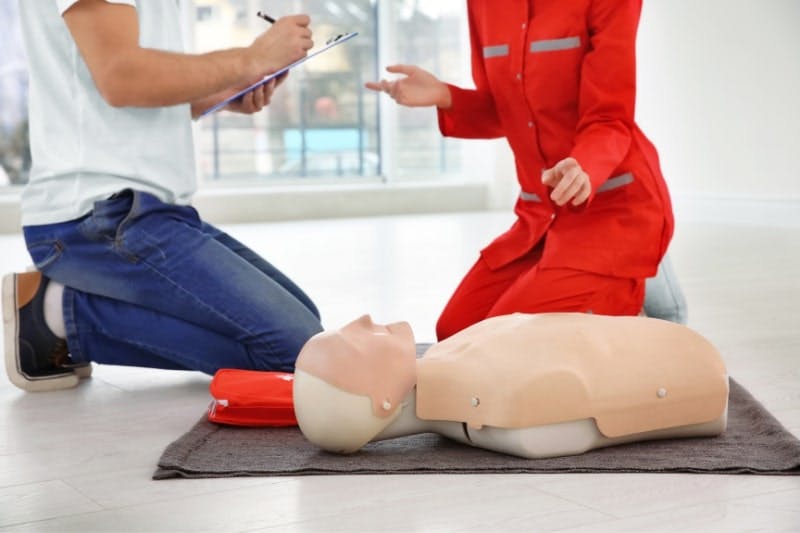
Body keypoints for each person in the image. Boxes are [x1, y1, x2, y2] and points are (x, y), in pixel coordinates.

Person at [3, 0, 323, 392]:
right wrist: (250, 58)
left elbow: (124, 89)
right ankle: (60, 312)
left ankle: (67, 318)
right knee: (301, 351)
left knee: (308, 334)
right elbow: (121, 77)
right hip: (98, 215)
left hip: (148, 211)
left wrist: (223, 91)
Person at [367, 0, 684, 340]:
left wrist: (585, 166)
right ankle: (616, 296)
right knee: (456, 332)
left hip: (613, 209)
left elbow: (609, 117)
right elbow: (502, 111)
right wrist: (446, 95)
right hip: (542, 219)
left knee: (504, 341)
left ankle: (626, 309)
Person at [293, 313, 729, 459]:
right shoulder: (497, 408)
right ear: (384, 400)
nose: (363, 321)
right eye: (354, 342)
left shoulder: (455, 359)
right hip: (688, 363)